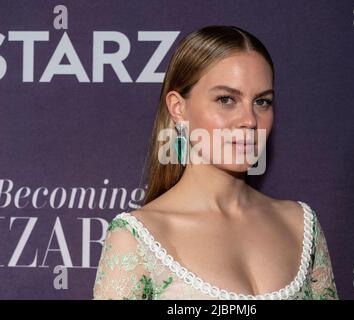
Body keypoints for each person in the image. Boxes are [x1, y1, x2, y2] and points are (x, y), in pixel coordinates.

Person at [92, 25, 339, 300]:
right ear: (178, 107)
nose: (249, 120)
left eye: (262, 101)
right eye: (226, 99)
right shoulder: (137, 237)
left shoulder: (300, 225)